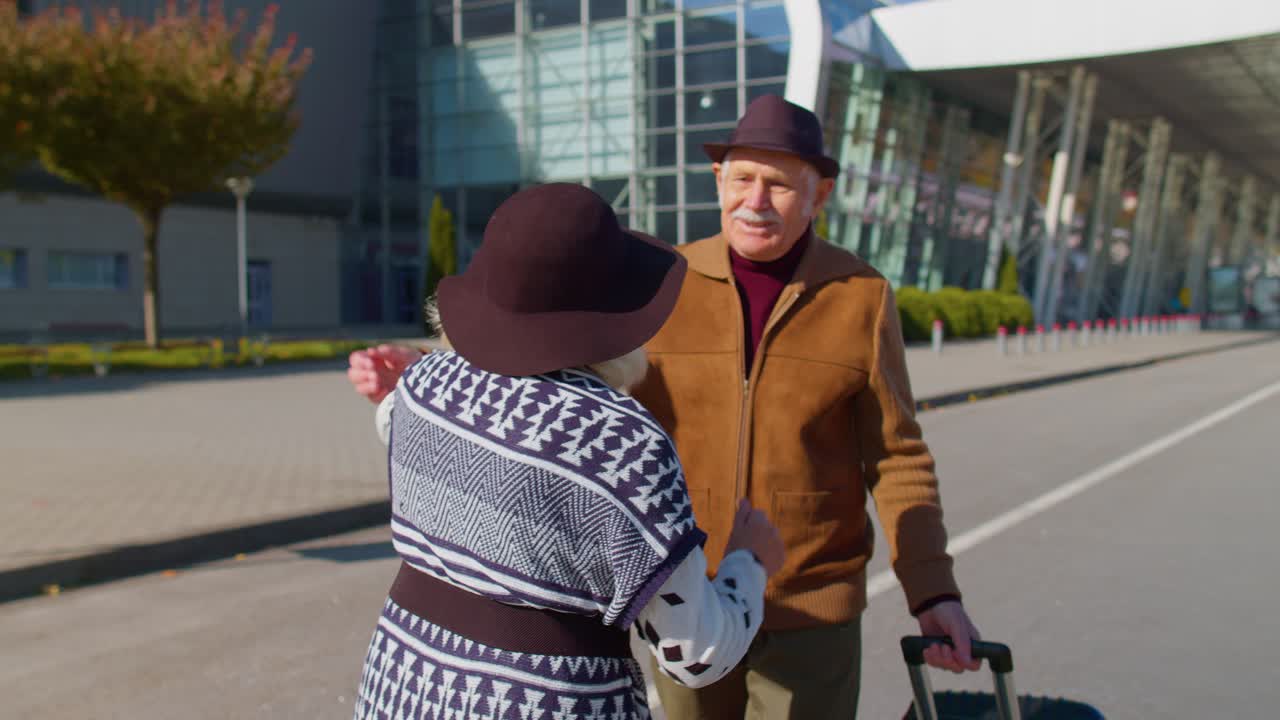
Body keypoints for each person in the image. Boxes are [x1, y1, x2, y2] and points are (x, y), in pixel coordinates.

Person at [349, 95, 982, 719]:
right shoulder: (658, 286)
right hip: (682, 590)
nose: (756, 201)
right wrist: (459, 371)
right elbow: (555, 390)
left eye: (780, 185)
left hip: (811, 607)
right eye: (743, 179)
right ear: (718, 179)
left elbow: (898, 456)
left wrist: (933, 591)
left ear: (819, 194)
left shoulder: (861, 297)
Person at [351, 183, 785, 720]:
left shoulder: (423, 385)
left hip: (404, 682)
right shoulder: (623, 441)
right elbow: (694, 656)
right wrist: (750, 561)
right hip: (540, 699)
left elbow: (395, 425)